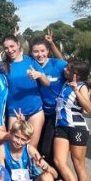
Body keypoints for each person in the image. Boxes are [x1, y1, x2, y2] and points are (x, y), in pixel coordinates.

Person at [53, 61, 91, 181]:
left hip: (77, 128)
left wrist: (76, 90)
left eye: (68, 69)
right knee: (59, 161)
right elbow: (60, 58)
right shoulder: (66, 83)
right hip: (62, 126)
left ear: (75, 74)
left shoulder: (82, 86)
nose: (65, 69)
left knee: (78, 164)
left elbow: (88, 108)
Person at [29, 30, 67, 166]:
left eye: (43, 51)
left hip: (57, 113)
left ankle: (57, 179)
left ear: (48, 51)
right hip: (39, 112)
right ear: (31, 53)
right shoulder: (32, 65)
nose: (40, 54)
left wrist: (52, 43)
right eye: (36, 52)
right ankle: (40, 176)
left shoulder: (57, 64)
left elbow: (66, 64)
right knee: (38, 146)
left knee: (49, 149)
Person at [2, 35, 46, 149]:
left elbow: (47, 83)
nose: (10, 50)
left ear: (18, 45)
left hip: (35, 111)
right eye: (6, 48)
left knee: (31, 147)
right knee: (13, 146)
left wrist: (39, 75)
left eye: (12, 46)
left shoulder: (31, 61)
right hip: (14, 112)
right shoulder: (3, 66)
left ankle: (30, 167)